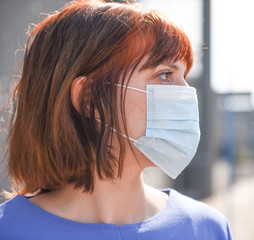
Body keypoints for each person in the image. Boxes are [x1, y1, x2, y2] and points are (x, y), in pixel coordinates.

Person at [0, 0, 233, 239]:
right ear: (89, 98)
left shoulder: (207, 228)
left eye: (184, 76)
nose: (186, 93)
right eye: (164, 74)